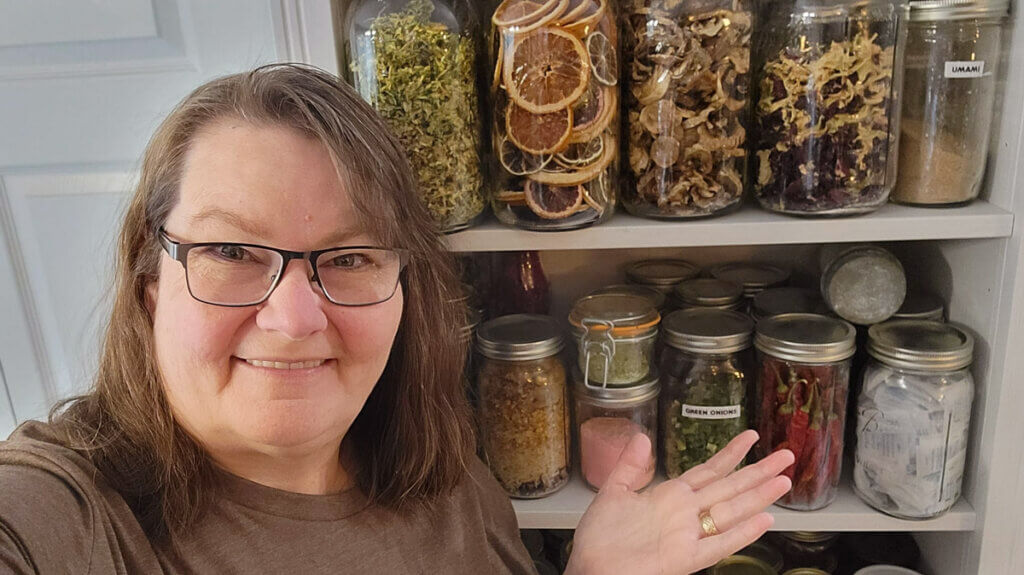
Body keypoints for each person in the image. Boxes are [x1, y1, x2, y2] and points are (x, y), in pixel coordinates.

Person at [0, 64, 793, 574]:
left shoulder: (450, 480)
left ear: (406, 288)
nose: (292, 317)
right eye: (232, 251)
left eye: (348, 258)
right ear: (150, 283)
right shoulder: (73, 515)